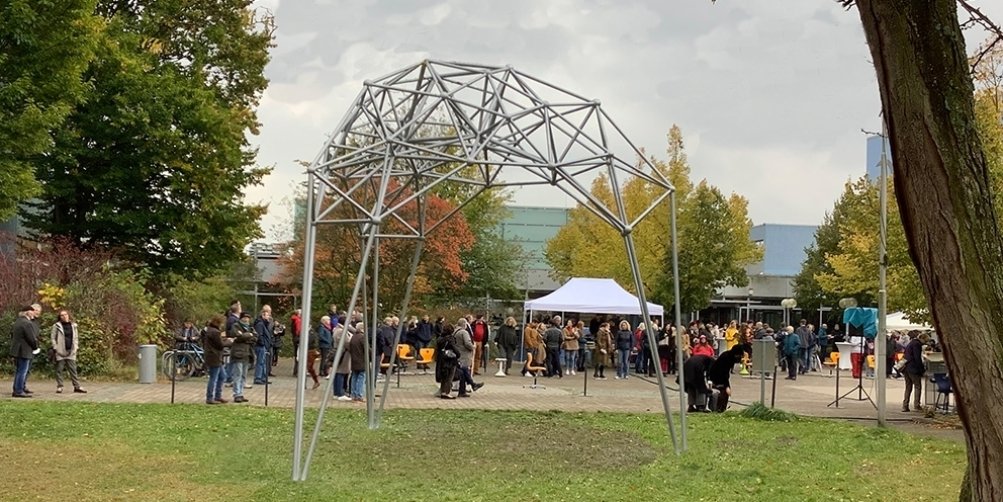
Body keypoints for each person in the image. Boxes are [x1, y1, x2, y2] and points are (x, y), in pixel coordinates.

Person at [51, 309, 86, 394]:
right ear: (59, 317)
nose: (64, 316)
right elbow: (52, 338)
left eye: (65, 314)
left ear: (68, 315)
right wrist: (55, 347)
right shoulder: (56, 326)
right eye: (62, 315)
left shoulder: (73, 325)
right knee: (59, 369)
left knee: (73, 369)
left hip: (71, 350)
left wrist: (76, 347)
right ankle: (60, 386)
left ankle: (77, 386)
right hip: (60, 351)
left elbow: (76, 338)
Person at [10, 305, 40, 398]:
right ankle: (19, 391)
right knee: (23, 371)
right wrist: (36, 347)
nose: (33, 313)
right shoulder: (27, 323)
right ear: (28, 312)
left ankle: (18, 388)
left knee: (19, 370)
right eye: (32, 311)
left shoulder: (18, 321)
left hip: (17, 350)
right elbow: (31, 338)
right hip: (24, 350)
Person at [227, 312, 257, 403]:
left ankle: (241, 393)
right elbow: (238, 337)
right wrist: (249, 335)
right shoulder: (236, 326)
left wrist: (246, 336)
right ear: (241, 318)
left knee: (244, 375)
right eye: (245, 317)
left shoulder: (250, 327)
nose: (247, 319)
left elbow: (255, 337)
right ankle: (237, 394)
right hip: (238, 353)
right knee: (237, 374)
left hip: (247, 354)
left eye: (248, 318)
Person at [708, 345, 746, 412]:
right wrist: (727, 386)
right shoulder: (726, 358)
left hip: (720, 375)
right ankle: (718, 409)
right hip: (716, 375)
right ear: (736, 354)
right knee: (722, 392)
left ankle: (721, 408)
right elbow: (724, 373)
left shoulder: (730, 357)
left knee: (724, 392)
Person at [203, 314, 231, 404]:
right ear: (219, 323)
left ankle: (218, 396)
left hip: (213, 356)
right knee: (214, 378)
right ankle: (210, 397)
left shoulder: (210, 330)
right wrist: (229, 341)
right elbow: (220, 345)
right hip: (214, 357)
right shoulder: (215, 332)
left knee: (222, 376)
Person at [454, 318, 483, 397]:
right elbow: (467, 343)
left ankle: (462, 391)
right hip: (464, 355)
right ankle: (473, 384)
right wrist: (473, 347)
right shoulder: (464, 332)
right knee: (465, 370)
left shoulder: (455, 331)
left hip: (458, 354)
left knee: (463, 373)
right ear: (464, 324)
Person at [902, 331, 928, 412]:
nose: (925, 343)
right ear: (922, 339)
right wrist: (922, 370)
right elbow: (917, 358)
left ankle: (905, 405)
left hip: (906, 367)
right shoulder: (917, 344)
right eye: (925, 341)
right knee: (917, 386)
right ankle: (917, 405)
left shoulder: (911, 343)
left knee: (908, 387)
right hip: (913, 368)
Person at [435, 323, 459, 399]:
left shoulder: (440, 338)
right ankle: (446, 392)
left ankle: (442, 391)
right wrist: (458, 354)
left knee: (444, 376)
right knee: (449, 377)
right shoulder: (450, 339)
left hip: (441, 359)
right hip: (450, 360)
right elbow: (455, 349)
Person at [347, 321, 367, 402]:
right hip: (361, 360)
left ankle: (353, 395)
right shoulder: (362, 337)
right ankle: (359, 395)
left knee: (354, 376)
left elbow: (349, 347)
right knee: (361, 377)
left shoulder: (353, 337)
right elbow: (366, 348)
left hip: (354, 360)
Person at [253, 308, 273, 385]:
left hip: (265, 345)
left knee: (264, 362)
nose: (269, 317)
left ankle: (263, 377)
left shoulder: (264, 324)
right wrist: (263, 343)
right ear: (263, 315)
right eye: (267, 315)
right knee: (260, 362)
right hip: (261, 346)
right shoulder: (260, 324)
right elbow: (260, 335)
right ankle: (258, 378)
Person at [332, 321, 352, 401]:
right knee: (341, 372)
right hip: (343, 354)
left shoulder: (337, 329)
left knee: (338, 372)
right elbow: (346, 342)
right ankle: (339, 393)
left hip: (341, 353)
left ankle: (337, 392)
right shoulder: (341, 331)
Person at [290, 309, 302, 376]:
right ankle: (297, 371)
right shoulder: (297, 320)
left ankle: (296, 370)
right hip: (297, 339)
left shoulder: (295, 320)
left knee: (297, 355)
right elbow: (297, 330)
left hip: (296, 338)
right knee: (298, 355)